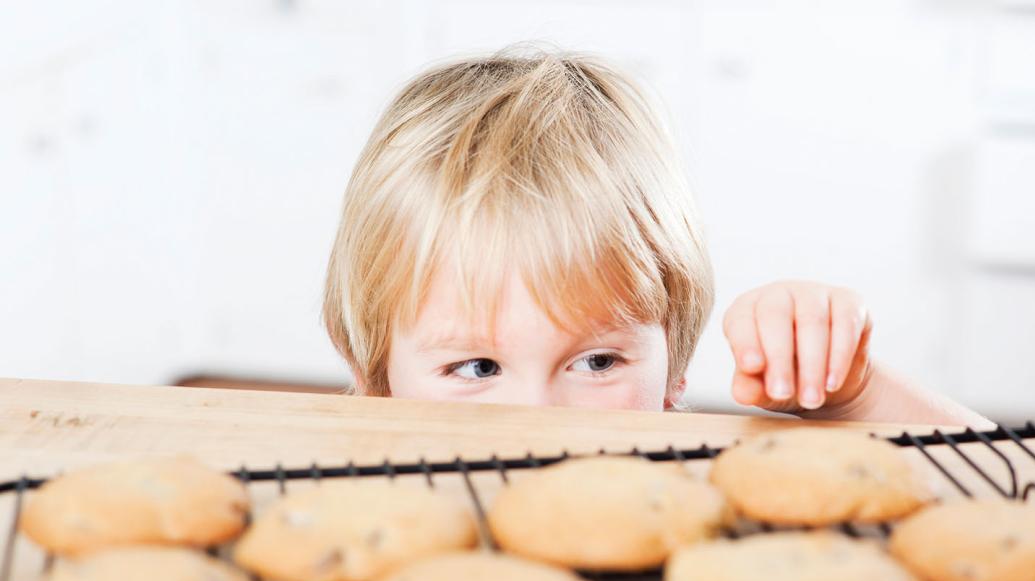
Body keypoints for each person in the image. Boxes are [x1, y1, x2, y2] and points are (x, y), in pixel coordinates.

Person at [323, 49, 988, 427]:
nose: (539, 418)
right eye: (476, 368)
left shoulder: (688, 484)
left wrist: (858, 394)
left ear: (672, 359)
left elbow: (1001, 481)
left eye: (599, 363)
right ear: (374, 376)